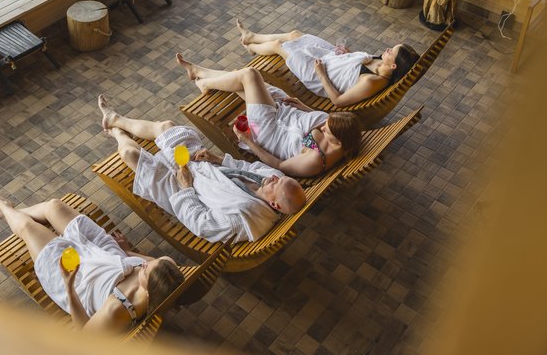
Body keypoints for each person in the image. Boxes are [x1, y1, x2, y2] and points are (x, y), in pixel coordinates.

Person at [98, 95, 306, 243]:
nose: (274, 177)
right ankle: (115, 119)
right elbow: (247, 166)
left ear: (273, 204)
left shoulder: (242, 219)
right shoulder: (274, 177)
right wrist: (218, 159)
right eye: (280, 178)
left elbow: (199, 224)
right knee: (167, 126)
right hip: (204, 166)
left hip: (183, 190)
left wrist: (186, 187)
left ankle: (117, 133)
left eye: (277, 183)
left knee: (130, 155)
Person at [0, 186, 184, 333]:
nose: (146, 264)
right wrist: (127, 251)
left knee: (28, 228)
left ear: (148, 291)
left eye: (146, 270)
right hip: (106, 253)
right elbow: (147, 261)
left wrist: (69, 286)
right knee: (54, 206)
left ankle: (4, 207)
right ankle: (11, 212)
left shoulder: (118, 309)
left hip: (78, 278)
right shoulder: (165, 270)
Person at [177, 54, 363, 178]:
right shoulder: (345, 133)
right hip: (286, 112)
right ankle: (200, 74)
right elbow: (328, 122)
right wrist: (304, 107)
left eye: (326, 130)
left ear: (337, 141)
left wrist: (249, 142)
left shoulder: (315, 161)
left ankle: (205, 82)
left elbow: (279, 166)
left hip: (267, 130)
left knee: (249, 75)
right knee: (240, 78)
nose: (323, 127)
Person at [235, 19, 420, 106]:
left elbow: (338, 101)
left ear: (394, 66)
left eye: (391, 52)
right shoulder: (381, 62)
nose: (387, 49)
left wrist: (322, 74)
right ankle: (253, 36)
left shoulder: (372, 81)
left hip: (318, 75)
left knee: (279, 46)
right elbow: (353, 67)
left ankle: (253, 48)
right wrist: (348, 54)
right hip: (333, 59)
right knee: (295, 34)